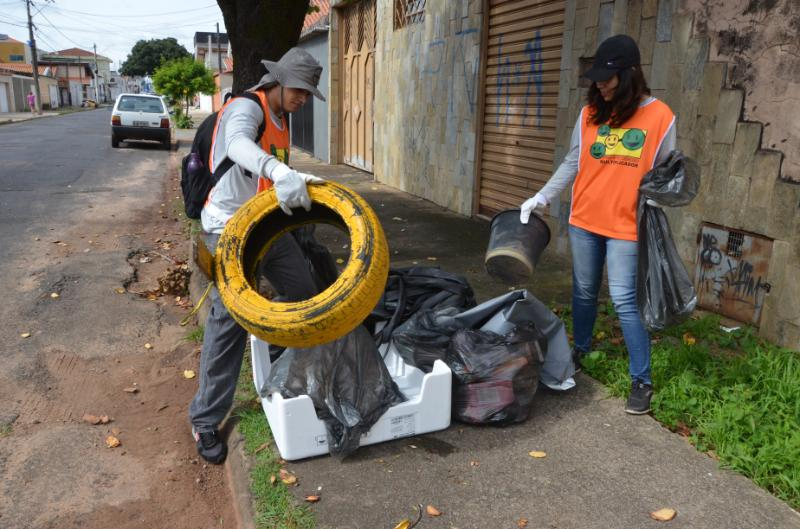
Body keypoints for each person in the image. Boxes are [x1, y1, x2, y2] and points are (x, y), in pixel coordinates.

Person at [519, 35, 675, 415]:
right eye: (597, 78)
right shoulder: (590, 113)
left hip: (626, 225)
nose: (600, 85)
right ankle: (582, 348)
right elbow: (574, 161)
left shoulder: (660, 117)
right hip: (585, 219)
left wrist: (655, 199)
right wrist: (542, 196)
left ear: (630, 74)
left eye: (608, 78)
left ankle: (642, 379)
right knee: (585, 292)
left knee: (623, 301)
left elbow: (669, 176)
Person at [190, 47, 326, 464]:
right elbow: (237, 146)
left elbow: (270, 173)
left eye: (308, 94)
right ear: (278, 81)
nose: (303, 99)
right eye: (300, 90)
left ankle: (288, 374)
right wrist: (279, 171)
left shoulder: (283, 118)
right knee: (229, 319)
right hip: (227, 228)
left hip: (264, 222)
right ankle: (205, 421)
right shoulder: (244, 108)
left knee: (304, 292)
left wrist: (295, 184)